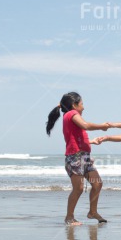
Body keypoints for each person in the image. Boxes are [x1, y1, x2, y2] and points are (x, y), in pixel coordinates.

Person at [46, 92, 108, 225]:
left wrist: (91, 141)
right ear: (74, 105)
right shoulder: (72, 114)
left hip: (84, 156)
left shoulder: (71, 116)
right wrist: (102, 126)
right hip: (75, 157)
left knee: (97, 184)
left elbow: (75, 138)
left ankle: (92, 212)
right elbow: (86, 126)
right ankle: (69, 217)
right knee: (78, 188)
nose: (84, 107)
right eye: (82, 104)